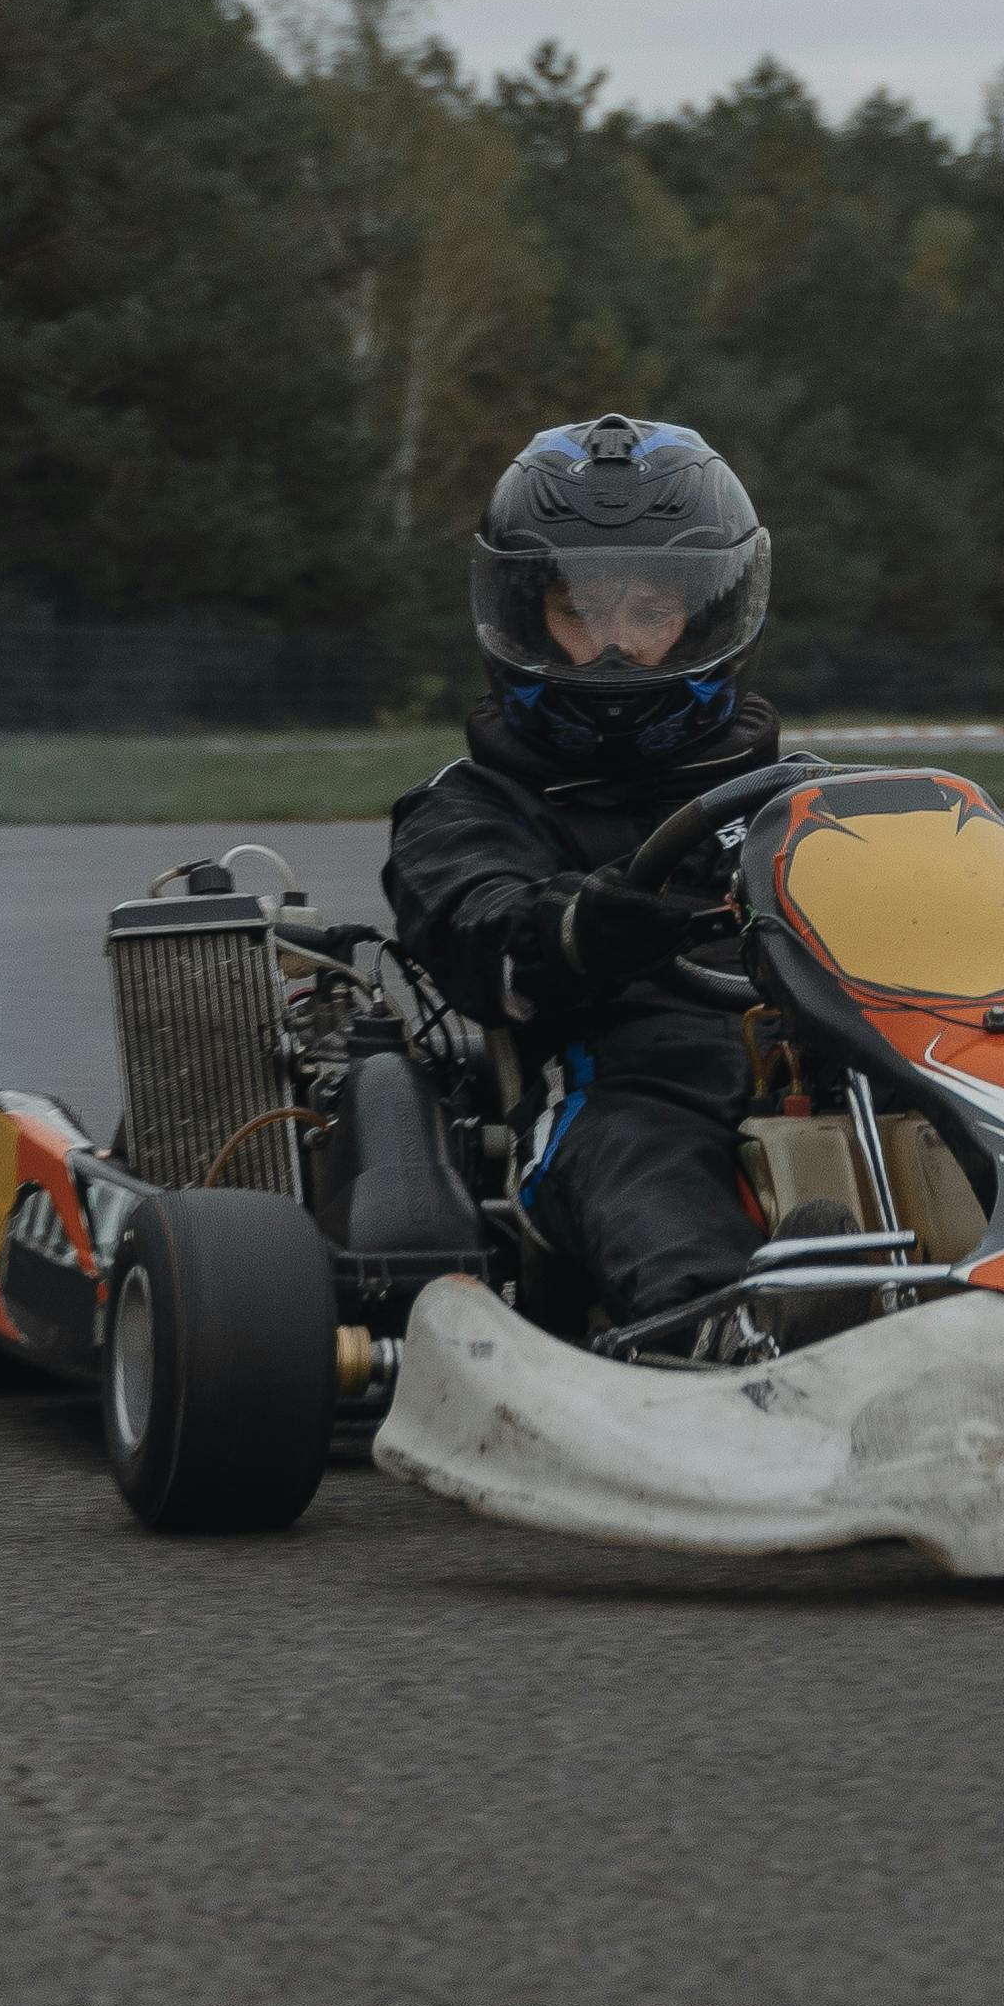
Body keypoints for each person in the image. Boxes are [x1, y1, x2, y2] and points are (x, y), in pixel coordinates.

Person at [384, 416, 781, 1340]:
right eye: (582, 613)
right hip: (624, 1076)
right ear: (527, 617)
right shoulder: (474, 806)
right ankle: (723, 1343)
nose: (615, 648)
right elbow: (472, 920)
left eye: (649, 614)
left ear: (711, 617)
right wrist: (574, 930)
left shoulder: (794, 797)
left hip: (844, 1059)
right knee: (639, 1159)